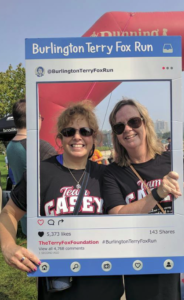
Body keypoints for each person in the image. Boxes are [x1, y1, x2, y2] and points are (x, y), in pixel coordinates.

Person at [103, 99, 184, 300]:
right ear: (115, 134)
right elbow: (117, 214)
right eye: (119, 126)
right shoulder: (112, 173)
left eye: (134, 122)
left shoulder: (171, 160)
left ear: (145, 123)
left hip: (183, 260)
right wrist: (156, 194)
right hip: (142, 267)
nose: (127, 129)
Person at [0, 101, 124, 300]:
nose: (77, 137)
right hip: (57, 288)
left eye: (85, 131)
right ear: (60, 138)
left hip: (104, 287)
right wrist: (8, 246)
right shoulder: (41, 172)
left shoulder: (106, 175)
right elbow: (9, 212)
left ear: (94, 137)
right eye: (69, 131)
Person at [6, 99, 57, 235]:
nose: (41, 120)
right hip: (44, 216)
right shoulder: (41, 147)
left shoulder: (10, 146)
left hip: (22, 210)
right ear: (34, 118)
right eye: (40, 117)